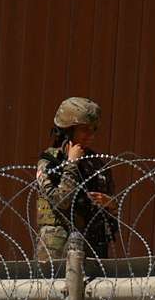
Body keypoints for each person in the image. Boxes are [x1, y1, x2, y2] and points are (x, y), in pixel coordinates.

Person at [35, 97, 118, 262]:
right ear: (68, 130)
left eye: (93, 129)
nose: (90, 135)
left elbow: (113, 218)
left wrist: (111, 204)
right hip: (56, 251)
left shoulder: (96, 164)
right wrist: (72, 164)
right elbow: (62, 201)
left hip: (92, 247)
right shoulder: (50, 163)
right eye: (84, 129)